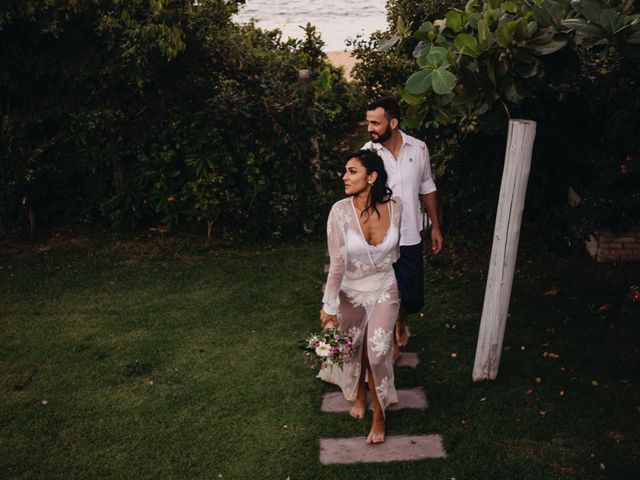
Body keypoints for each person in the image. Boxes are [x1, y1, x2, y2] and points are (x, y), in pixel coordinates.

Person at [318, 149, 402, 444]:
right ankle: (361, 393)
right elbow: (337, 264)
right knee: (355, 349)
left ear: (372, 177)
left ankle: (380, 415)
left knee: (378, 355)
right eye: (346, 170)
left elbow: (395, 253)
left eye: (352, 171)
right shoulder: (339, 211)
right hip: (350, 292)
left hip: (383, 288)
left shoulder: (397, 207)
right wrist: (328, 308)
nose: (345, 176)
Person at [362, 97, 443, 360]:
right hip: (379, 239)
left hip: (410, 235)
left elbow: (427, 187)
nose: (370, 128)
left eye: (376, 122)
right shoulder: (368, 154)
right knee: (384, 291)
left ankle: (401, 320)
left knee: (414, 299)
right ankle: (390, 344)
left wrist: (435, 227)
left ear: (393, 123)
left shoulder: (418, 149)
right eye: (368, 122)